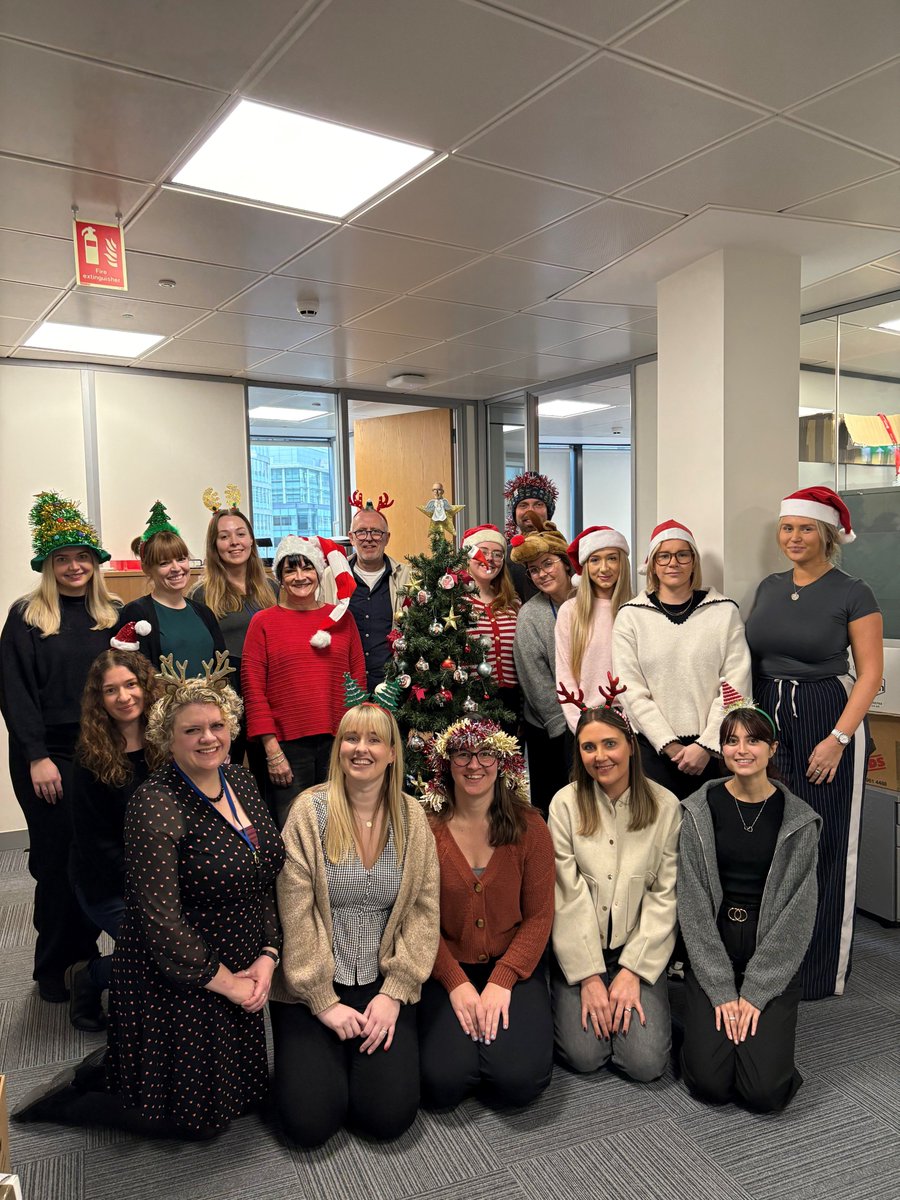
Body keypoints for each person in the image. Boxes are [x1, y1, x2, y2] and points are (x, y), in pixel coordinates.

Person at [14, 656, 285, 1138]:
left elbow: (262, 873)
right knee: (188, 1122)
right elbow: (161, 923)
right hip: (180, 970)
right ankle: (81, 1095)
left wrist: (267, 954)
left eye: (217, 725)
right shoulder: (155, 802)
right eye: (191, 730)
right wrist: (229, 983)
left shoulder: (241, 781)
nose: (208, 738)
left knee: (242, 1098)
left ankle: (123, 1057)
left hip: (241, 954)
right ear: (168, 738)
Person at [269, 692, 439, 1147]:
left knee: (387, 1118)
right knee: (308, 1124)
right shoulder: (310, 811)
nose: (360, 749)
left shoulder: (412, 815)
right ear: (338, 747)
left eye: (373, 740)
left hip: (381, 979)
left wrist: (396, 992)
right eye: (350, 738)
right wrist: (322, 1000)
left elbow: (425, 910)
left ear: (391, 753)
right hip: (312, 981)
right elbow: (294, 910)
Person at [745, 487, 882, 1000]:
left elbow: (870, 675)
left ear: (827, 534)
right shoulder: (768, 586)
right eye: (788, 528)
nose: (795, 537)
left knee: (825, 843)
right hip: (767, 720)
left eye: (806, 528)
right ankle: (769, 962)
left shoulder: (853, 591)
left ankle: (823, 969)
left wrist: (838, 740)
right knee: (769, 843)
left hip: (828, 718)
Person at [0, 491, 119, 1004]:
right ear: (49, 566)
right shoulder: (28, 614)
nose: (75, 567)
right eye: (63, 559)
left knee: (99, 858)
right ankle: (55, 967)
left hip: (103, 753)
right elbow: (14, 691)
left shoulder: (112, 615)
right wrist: (35, 756)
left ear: (95, 564)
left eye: (83, 558)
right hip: (48, 754)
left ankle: (91, 959)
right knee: (55, 861)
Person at [679, 686, 821, 1111]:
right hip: (714, 944)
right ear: (721, 748)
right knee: (710, 1085)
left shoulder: (800, 821)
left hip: (770, 948)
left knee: (763, 1093)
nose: (742, 750)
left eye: (753, 739)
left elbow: (798, 915)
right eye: (732, 740)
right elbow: (692, 904)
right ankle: (700, 1021)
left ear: (772, 747)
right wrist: (722, 989)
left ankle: (755, 1028)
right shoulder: (697, 811)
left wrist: (755, 992)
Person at [419, 717, 555, 1109]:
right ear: (447, 762)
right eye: (462, 753)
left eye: (485, 754)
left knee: (519, 1082)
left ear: (503, 761)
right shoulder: (426, 829)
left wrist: (503, 979)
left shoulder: (531, 826)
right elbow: (418, 919)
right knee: (442, 1084)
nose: (474, 764)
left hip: (512, 963)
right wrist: (454, 981)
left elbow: (540, 916)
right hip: (445, 966)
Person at [549, 679, 681, 1082]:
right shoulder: (565, 805)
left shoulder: (665, 806)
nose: (600, 756)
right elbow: (565, 898)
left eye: (609, 744)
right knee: (585, 1054)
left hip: (638, 950)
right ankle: (575, 992)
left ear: (629, 747)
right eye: (588, 747)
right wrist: (590, 976)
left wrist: (632, 973)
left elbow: (666, 896)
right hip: (580, 951)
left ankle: (636, 994)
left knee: (644, 1064)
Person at [612, 519, 752, 801]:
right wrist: (670, 746)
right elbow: (630, 690)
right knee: (657, 836)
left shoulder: (724, 611)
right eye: (663, 556)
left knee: (710, 835)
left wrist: (707, 745)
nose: (672, 563)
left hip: (713, 751)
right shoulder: (630, 616)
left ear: (693, 561)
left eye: (682, 554)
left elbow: (736, 684)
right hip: (653, 750)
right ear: (652, 564)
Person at [241, 534, 365, 829]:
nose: (300, 577)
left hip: (338, 743)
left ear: (319, 572)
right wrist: (272, 752)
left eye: (307, 568)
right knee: (293, 830)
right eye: (290, 570)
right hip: (287, 748)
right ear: (280, 578)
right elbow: (253, 689)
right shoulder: (263, 622)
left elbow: (357, 682)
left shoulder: (340, 618)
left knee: (339, 826)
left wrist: (356, 740)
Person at [68, 642, 162, 1031]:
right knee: (154, 953)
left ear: (146, 685)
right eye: (111, 690)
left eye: (130, 684)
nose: (124, 697)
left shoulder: (168, 740)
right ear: (99, 699)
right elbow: (95, 845)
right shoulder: (92, 756)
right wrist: (149, 886)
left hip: (160, 874)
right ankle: (88, 978)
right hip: (108, 883)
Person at [190, 491, 277, 771]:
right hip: (229, 696)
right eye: (225, 536)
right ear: (214, 545)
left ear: (251, 539)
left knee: (272, 771)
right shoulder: (202, 595)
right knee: (227, 769)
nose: (234, 542)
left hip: (270, 693)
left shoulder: (274, 589)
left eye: (240, 534)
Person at [115, 499, 225, 675]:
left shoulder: (203, 612)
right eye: (164, 562)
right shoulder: (137, 613)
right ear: (147, 568)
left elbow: (222, 667)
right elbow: (136, 675)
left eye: (181, 559)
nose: (176, 568)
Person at [509, 518, 575, 811]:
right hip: (552, 729)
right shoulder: (531, 614)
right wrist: (565, 727)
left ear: (565, 562)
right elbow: (535, 680)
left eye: (547, 564)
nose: (541, 574)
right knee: (555, 808)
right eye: (533, 570)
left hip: (595, 722)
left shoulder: (592, 600)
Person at [556, 526, 633, 744]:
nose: (604, 568)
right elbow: (565, 676)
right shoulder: (571, 611)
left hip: (631, 726)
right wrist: (581, 725)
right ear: (585, 566)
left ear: (622, 563)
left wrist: (630, 725)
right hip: (584, 723)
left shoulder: (637, 609)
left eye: (612, 558)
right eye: (595, 560)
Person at [346, 490, 411, 693]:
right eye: (361, 532)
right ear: (351, 537)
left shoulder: (408, 578)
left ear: (387, 538)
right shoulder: (332, 577)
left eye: (376, 532)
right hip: (346, 689)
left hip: (393, 690)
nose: (369, 539)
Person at [462, 525, 521, 731]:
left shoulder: (513, 603)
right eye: (483, 552)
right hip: (471, 701)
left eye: (497, 555)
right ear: (468, 557)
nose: (491, 559)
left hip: (512, 703)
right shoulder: (456, 604)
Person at [503, 471, 560, 603]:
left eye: (538, 504)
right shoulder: (505, 555)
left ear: (548, 511)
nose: (530, 511)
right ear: (514, 513)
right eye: (523, 505)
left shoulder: (561, 551)